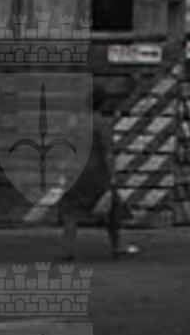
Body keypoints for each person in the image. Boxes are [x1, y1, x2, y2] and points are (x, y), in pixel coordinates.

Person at [58, 87, 138, 260]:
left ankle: (67, 250)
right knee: (112, 209)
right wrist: (113, 176)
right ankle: (117, 247)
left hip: (76, 168)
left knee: (71, 211)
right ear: (103, 103)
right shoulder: (103, 123)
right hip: (96, 170)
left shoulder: (75, 122)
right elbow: (108, 153)